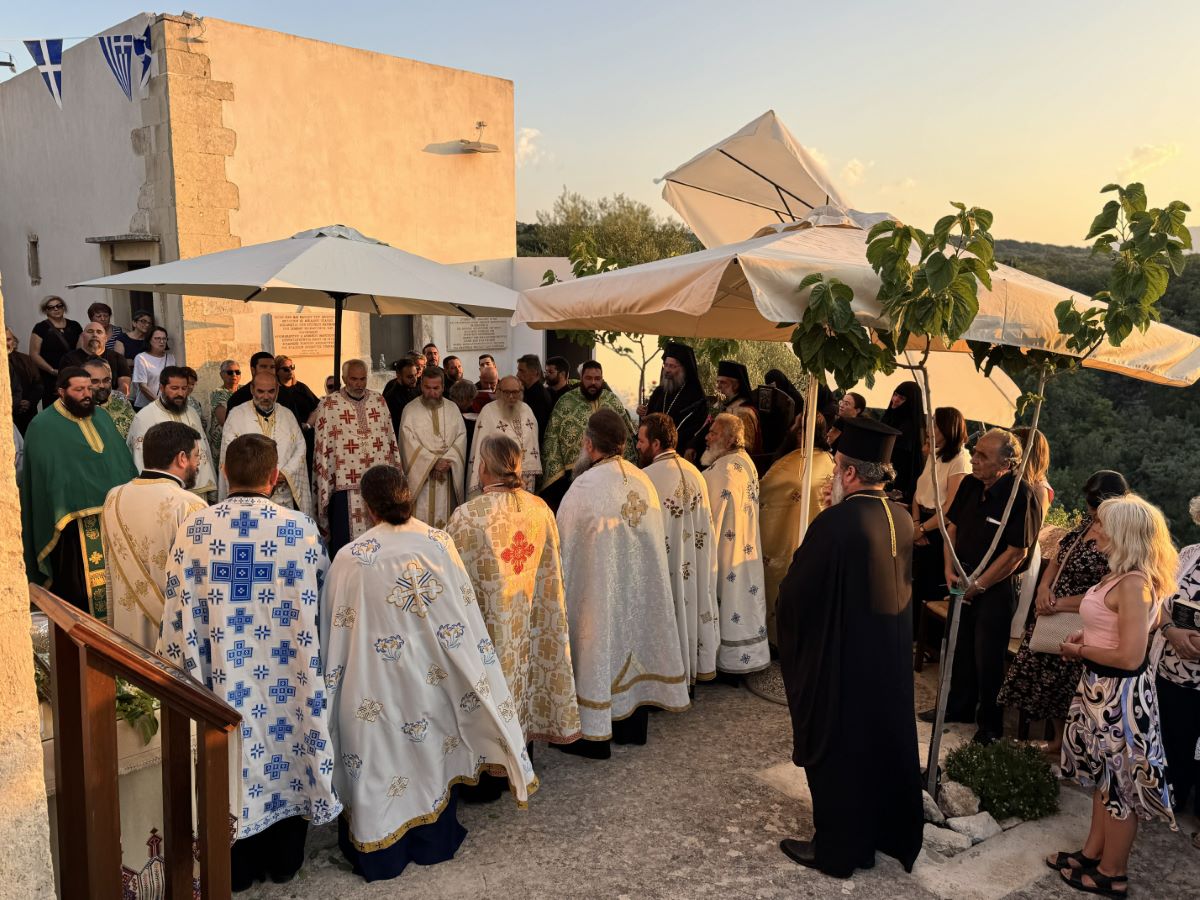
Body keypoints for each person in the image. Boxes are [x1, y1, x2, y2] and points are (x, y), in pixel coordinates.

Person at [324, 464, 535, 881]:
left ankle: (381, 855)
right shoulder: (438, 543)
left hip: (374, 689)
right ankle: (433, 842)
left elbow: (334, 632)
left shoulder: (351, 559)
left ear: (367, 507)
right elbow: (464, 615)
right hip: (431, 682)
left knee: (379, 760)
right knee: (431, 754)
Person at [159, 434, 340, 891]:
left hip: (222, 681)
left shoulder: (196, 530)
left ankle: (234, 869)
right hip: (288, 680)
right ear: (275, 476)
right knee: (288, 751)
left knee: (228, 762)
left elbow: (176, 615)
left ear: (223, 473)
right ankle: (284, 861)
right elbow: (325, 605)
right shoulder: (300, 530)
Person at [776, 416, 922, 879]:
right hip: (888, 662)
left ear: (851, 473)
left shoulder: (836, 523)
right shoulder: (902, 518)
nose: (832, 476)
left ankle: (836, 851)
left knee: (840, 750)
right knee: (875, 748)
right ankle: (872, 837)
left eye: (836, 467)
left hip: (843, 662)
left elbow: (796, 594)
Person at [1052, 494, 1179, 898]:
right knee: (1103, 780)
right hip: (1099, 690)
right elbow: (1113, 629)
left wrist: (1081, 650)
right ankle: (1093, 854)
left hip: (1119, 697)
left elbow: (1130, 656)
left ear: (1122, 533)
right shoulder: (1119, 575)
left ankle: (1114, 873)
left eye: (1102, 524)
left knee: (1120, 787)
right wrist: (1086, 636)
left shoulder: (1135, 584)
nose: (1095, 531)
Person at [556, 409, 690, 756]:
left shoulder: (583, 487)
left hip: (600, 594)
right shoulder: (642, 480)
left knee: (599, 647)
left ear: (588, 444)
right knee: (633, 641)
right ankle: (632, 728)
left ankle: (595, 736)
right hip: (638, 591)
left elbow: (564, 548)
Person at [447, 436, 582, 752]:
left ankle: (492, 764)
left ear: (483, 466)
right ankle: (525, 752)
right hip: (530, 621)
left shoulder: (468, 516)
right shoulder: (540, 509)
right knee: (525, 674)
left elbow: (452, 583)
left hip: (491, 628)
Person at [923, 428, 1043, 743]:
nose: (974, 459)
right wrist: (949, 569)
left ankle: (990, 724)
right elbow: (952, 527)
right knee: (957, 646)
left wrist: (980, 585)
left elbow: (1016, 553)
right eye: (975, 452)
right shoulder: (970, 485)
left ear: (1006, 463)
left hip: (996, 586)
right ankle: (958, 707)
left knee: (987, 657)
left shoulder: (1021, 496)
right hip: (960, 577)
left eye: (982, 456)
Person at [998, 470, 1129, 756]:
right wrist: (1044, 589)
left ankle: (1071, 745)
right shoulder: (1086, 525)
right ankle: (1058, 740)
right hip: (1053, 609)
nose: (1091, 511)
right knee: (1046, 678)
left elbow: (1108, 594)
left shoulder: (1122, 541)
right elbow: (1058, 560)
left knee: (1069, 685)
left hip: (1085, 617)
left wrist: (1058, 603)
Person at [20, 367, 137, 617]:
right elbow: (46, 477)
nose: (87, 394)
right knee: (77, 592)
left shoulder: (101, 417)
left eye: (89, 388)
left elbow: (120, 462)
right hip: (71, 529)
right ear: (61, 391)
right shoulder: (42, 426)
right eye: (79, 389)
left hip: (110, 520)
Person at [100, 421, 206, 650]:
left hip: (125, 636)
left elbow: (109, 575)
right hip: (171, 642)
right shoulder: (190, 505)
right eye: (196, 456)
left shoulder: (114, 497)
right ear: (182, 458)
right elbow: (200, 581)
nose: (198, 463)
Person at [638, 413, 719, 686]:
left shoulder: (645, 478)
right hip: (695, 564)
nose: (637, 446)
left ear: (656, 444)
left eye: (641, 441)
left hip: (665, 567)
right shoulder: (696, 472)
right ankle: (693, 669)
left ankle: (667, 679)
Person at [701, 413, 769, 676]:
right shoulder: (745, 461)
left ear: (730, 440)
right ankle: (746, 656)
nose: (707, 437)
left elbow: (707, 517)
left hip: (726, 554)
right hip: (745, 550)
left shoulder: (725, 470)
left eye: (714, 433)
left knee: (729, 599)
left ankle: (725, 660)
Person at [759, 413, 835, 645]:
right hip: (815, 541)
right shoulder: (830, 461)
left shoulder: (794, 463)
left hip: (788, 540)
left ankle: (780, 639)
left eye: (795, 426)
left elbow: (764, 491)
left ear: (802, 432)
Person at [313, 359, 400, 555]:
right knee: (346, 544)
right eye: (354, 379)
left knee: (383, 545)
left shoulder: (379, 401)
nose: (359, 384)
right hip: (344, 485)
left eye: (363, 379)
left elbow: (389, 438)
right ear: (344, 379)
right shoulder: (329, 404)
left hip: (378, 484)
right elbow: (323, 446)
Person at [1155, 495, 1200, 833]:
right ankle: (1168, 799)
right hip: (1170, 668)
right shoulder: (1188, 554)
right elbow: (1161, 599)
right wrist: (1171, 630)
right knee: (1171, 739)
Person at [219, 374, 313, 516]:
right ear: (252, 389)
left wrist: (285, 473)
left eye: (271, 391)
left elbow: (300, 447)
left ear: (277, 390)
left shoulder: (287, 415)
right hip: (249, 496)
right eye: (261, 391)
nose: (266, 396)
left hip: (282, 495)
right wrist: (258, 477)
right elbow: (229, 453)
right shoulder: (236, 415)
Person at [540, 360, 636, 496]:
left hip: (610, 474)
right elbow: (552, 440)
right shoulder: (565, 402)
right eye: (588, 378)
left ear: (602, 379)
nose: (593, 383)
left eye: (597, 378)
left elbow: (628, 436)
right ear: (581, 378)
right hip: (573, 476)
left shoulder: (612, 401)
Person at [910, 407, 971, 606]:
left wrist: (922, 530)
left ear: (948, 429)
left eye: (935, 425)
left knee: (928, 589)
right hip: (921, 522)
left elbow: (950, 509)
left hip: (939, 530)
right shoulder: (935, 454)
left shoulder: (960, 460)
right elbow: (918, 494)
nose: (930, 429)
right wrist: (916, 524)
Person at [127, 366, 217, 498]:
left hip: (197, 489)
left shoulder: (192, 413)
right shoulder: (144, 417)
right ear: (162, 388)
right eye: (174, 388)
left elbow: (204, 448)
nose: (180, 393)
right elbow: (140, 458)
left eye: (184, 388)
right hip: (163, 493)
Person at [399, 366, 467, 529]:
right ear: (421, 386)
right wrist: (433, 462)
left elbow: (461, 437)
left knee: (447, 523)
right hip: (422, 479)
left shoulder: (452, 409)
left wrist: (447, 460)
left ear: (443, 387)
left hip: (448, 474)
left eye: (436, 388)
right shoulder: (410, 410)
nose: (431, 392)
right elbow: (407, 442)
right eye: (427, 387)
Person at [466, 376, 540, 497]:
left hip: (524, 476)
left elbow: (533, 442)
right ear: (499, 392)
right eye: (507, 392)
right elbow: (481, 446)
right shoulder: (488, 411)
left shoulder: (527, 410)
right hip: (497, 476)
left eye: (515, 392)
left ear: (521, 392)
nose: (511, 396)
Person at [639, 343, 708, 455]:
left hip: (679, 451)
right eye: (666, 365)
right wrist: (643, 413)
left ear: (684, 369)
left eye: (672, 366)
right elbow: (650, 417)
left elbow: (695, 428)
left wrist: (666, 443)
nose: (667, 370)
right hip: (654, 450)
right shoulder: (659, 392)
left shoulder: (696, 396)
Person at [29, 295, 83, 409]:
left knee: (75, 404)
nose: (56, 309)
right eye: (51, 307)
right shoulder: (41, 328)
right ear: (46, 310)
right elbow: (34, 354)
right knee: (54, 407)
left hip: (72, 374)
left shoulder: (75, 325)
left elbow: (80, 350)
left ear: (64, 307)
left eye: (59, 306)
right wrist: (52, 370)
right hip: (50, 378)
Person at [880, 382, 926, 505]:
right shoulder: (890, 417)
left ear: (910, 402)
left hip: (896, 485)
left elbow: (902, 461)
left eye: (901, 398)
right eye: (895, 394)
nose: (895, 399)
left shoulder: (909, 428)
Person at [61, 321, 132, 396]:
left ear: (106, 338)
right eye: (90, 331)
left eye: (99, 332)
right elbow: (67, 388)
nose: (95, 335)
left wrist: (111, 401)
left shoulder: (118, 358)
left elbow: (124, 387)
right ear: (82, 336)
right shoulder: (69, 359)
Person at [82, 358, 135, 438]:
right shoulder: (77, 407)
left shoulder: (119, 397)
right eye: (95, 381)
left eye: (106, 380)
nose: (102, 386)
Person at [130, 326, 175, 409]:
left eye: (164, 339)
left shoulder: (171, 358)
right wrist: (160, 404)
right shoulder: (141, 358)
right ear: (149, 340)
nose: (161, 341)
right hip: (146, 407)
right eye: (157, 338)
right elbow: (143, 386)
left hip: (167, 405)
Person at [7, 327, 41, 433]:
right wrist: (15, 403)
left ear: (14, 342)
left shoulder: (26, 359)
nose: (5, 343)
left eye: (8, 339)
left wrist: (29, 401)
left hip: (29, 414)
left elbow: (38, 384)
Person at [516, 353, 554, 440]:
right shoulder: (526, 391)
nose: (517, 375)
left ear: (535, 372)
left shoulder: (540, 396)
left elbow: (536, 427)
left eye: (522, 371)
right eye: (518, 370)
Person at [208, 359, 241, 454]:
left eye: (237, 372)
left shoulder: (245, 390)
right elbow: (224, 420)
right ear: (221, 375)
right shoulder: (218, 393)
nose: (234, 375)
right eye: (230, 372)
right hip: (223, 441)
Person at [383, 356, 421, 431]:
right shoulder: (391, 397)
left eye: (415, 375)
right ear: (399, 376)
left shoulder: (416, 389)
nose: (414, 379)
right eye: (410, 377)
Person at [448, 379, 479, 449]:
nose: (471, 403)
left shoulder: (470, 409)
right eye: (470, 399)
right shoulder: (449, 411)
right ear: (462, 398)